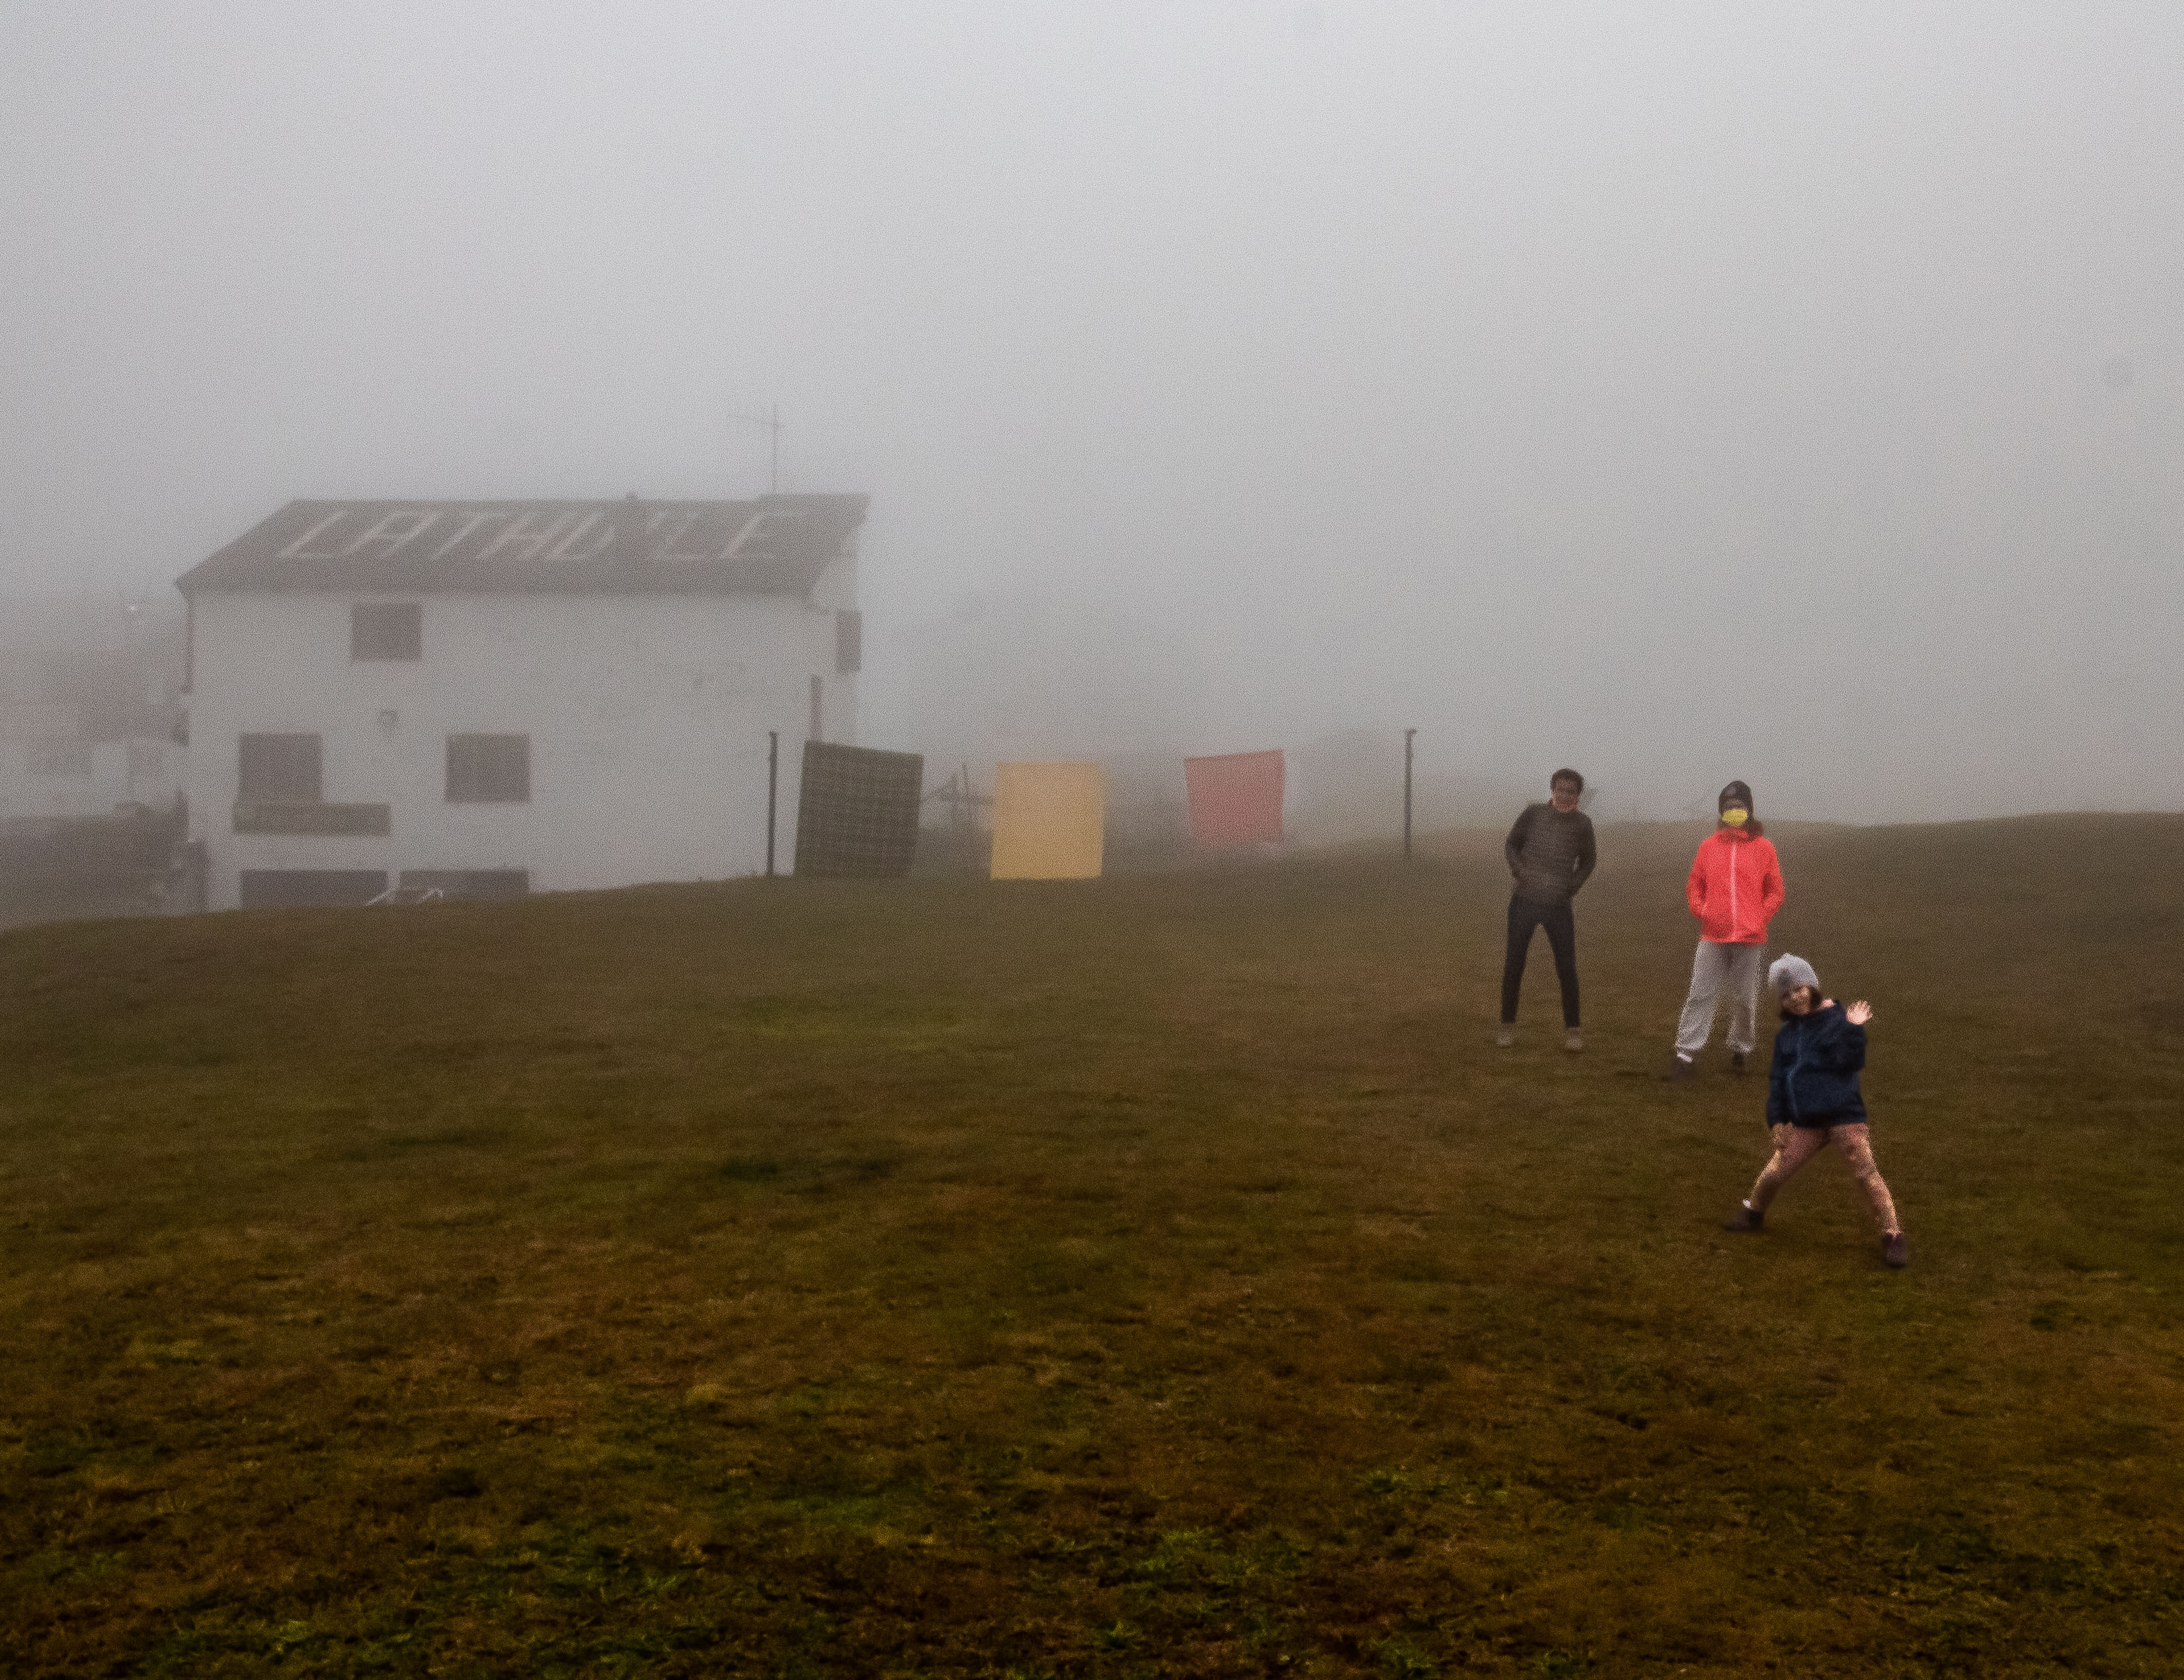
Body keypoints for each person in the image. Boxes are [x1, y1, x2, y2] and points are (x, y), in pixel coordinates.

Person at [1722, 955, 1908, 1268]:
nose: (1794, 998)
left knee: (1866, 1172)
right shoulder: (1788, 1036)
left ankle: (1893, 1235)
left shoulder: (1838, 1020)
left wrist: (1853, 1028)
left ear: (1812, 985)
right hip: (1805, 1119)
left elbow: (1850, 1062)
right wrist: (1778, 1119)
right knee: (1777, 1169)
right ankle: (1753, 1212)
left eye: (1798, 989)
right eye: (1785, 995)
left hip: (1842, 1114)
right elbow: (1779, 1079)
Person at [1664, 780, 1783, 1080]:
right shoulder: (1708, 846)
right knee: (1700, 992)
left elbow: (1775, 891)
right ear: (1721, 812)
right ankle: (1686, 1052)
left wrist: (1760, 916)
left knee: (1744, 997)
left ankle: (1740, 1047)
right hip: (1713, 935)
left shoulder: (1764, 848)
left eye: (1740, 806)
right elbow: (1695, 886)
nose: (1735, 811)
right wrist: (1702, 910)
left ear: (1749, 810)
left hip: (1750, 937)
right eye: (1729, 807)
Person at [1498, 768, 1597, 1051]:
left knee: (1566, 967)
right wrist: (1519, 871)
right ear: (1552, 790)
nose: (1565, 795)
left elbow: (1589, 861)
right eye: (1560, 789)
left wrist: (1572, 886)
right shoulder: (1533, 815)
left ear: (1578, 795)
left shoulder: (1582, 824)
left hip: (1558, 906)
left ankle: (1573, 1031)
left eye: (1571, 791)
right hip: (1524, 901)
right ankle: (1507, 1026)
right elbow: (1512, 844)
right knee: (1514, 963)